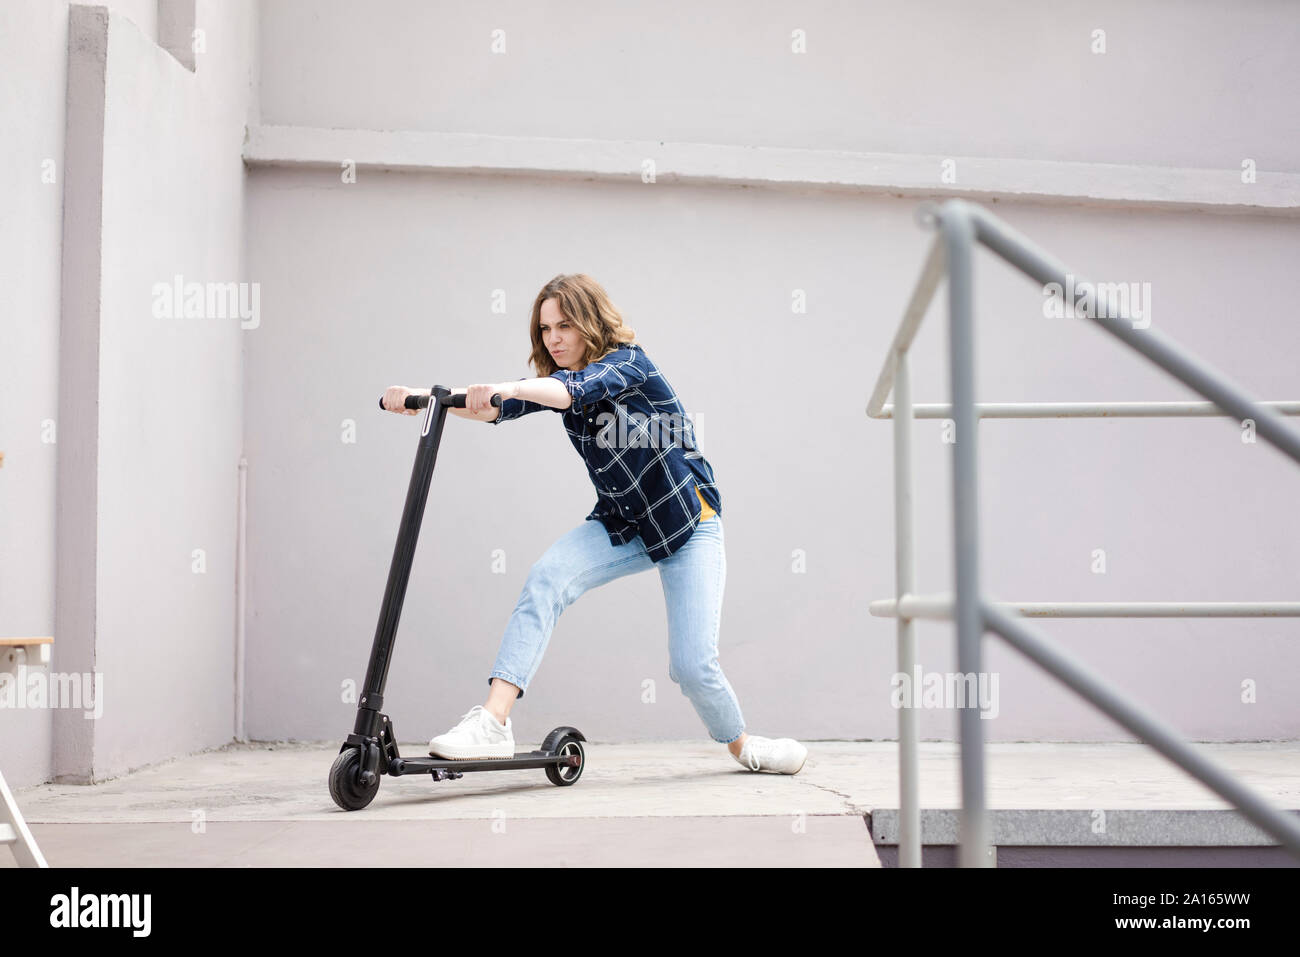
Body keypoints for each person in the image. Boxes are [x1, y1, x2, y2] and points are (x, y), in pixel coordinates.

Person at [381, 274, 806, 774]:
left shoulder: (629, 363)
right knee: (547, 577)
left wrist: (500, 390)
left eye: (565, 325)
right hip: (623, 524)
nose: (553, 338)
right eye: (544, 329)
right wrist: (426, 398)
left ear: (590, 322)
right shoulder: (557, 380)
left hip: (686, 523)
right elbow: (504, 405)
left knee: (691, 667)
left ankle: (744, 746)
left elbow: (570, 390)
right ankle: (493, 722)